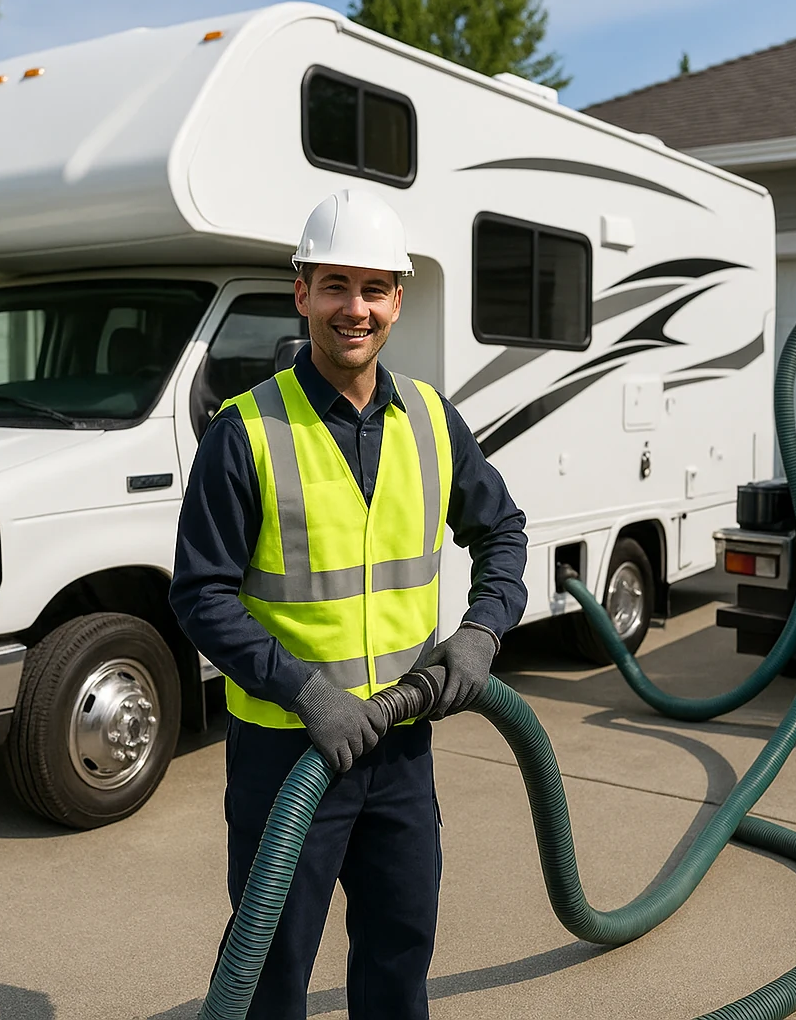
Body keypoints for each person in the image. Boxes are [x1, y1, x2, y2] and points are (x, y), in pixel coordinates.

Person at [171, 188, 528, 1020]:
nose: (354, 308)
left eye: (373, 289)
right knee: (270, 970)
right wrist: (308, 693)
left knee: (400, 956)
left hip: (401, 753)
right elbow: (199, 595)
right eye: (335, 285)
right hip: (286, 755)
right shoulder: (246, 431)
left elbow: (503, 533)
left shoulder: (433, 421)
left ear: (399, 300)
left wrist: (480, 634)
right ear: (301, 293)